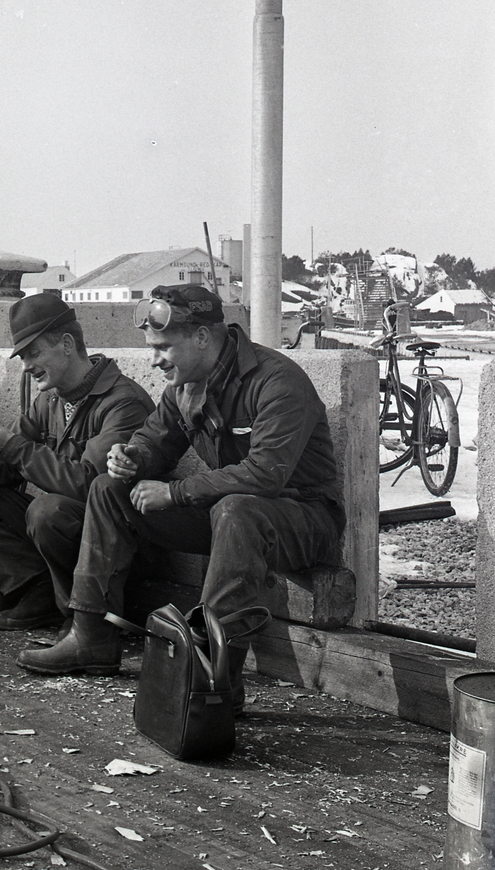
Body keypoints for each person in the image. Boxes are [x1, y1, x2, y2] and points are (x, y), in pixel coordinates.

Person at [18, 284, 345, 694]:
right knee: (108, 488)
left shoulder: (276, 380)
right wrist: (132, 456)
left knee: (238, 510)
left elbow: (265, 475)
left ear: (203, 337)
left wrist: (173, 494)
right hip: (226, 514)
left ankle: (213, 678)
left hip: (302, 518)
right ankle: (91, 637)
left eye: (163, 348)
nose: (154, 360)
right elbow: (155, 441)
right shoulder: (185, 384)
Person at [0, 292, 154, 632]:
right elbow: (15, 450)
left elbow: (91, 485)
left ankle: (82, 615)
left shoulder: (123, 402)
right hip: (63, 534)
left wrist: (12, 449)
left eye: (33, 353)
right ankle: (36, 587)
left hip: (115, 551)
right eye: (23, 356)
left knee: (48, 511)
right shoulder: (51, 397)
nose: (27, 366)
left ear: (66, 344)